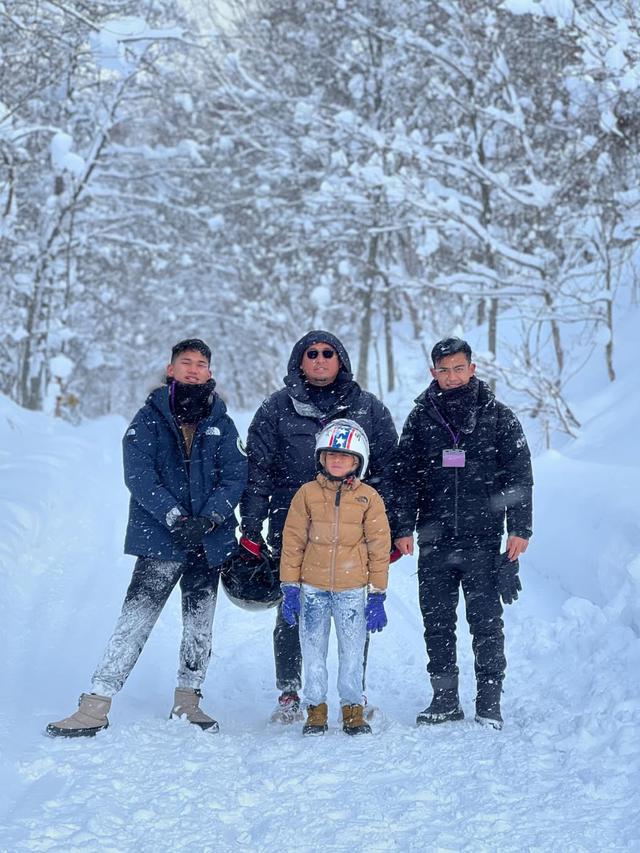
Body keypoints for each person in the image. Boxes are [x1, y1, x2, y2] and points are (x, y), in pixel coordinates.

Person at [46, 338, 247, 737]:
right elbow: (139, 477)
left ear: (210, 373)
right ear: (171, 370)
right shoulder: (148, 419)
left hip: (207, 540)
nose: (193, 369)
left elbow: (235, 476)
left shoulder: (222, 423)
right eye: (186, 362)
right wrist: (176, 518)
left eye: (201, 363)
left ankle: (188, 701)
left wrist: (209, 519)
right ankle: (95, 704)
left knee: (199, 624)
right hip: (161, 540)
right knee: (135, 620)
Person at [240, 330, 398, 722]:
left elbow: (390, 471)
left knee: (352, 613)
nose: (320, 359)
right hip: (293, 524)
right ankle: (291, 693)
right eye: (311, 353)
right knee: (293, 609)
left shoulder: (367, 408)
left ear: (341, 359)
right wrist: (252, 525)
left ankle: (353, 694)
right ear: (300, 361)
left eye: (328, 353)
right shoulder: (276, 408)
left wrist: (391, 527)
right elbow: (257, 470)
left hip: (352, 530)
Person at [393, 337, 532, 730]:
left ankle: (489, 702)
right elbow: (404, 477)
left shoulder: (499, 417)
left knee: (486, 623)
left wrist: (519, 528)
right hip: (434, 539)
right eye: (444, 370)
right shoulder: (420, 418)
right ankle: (444, 698)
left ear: (472, 369)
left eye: (458, 368)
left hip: (483, 539)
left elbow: (519, 475)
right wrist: (402, 526)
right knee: (437, 624)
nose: (451, 377)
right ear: (432, 372)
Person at [279, 419, 391, 736]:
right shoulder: (307, 494)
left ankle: (352, 708)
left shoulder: (369, 498)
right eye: (331, 455)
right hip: (312, 589)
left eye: (345, 456)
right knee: (313, 652)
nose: (337, 460)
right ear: (321, 458)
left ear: (358, 461)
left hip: (352, 591)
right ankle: (315, 709)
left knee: (352, 653)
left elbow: (379, 547)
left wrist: (377, 593)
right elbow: (293, 541)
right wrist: (290, 588)